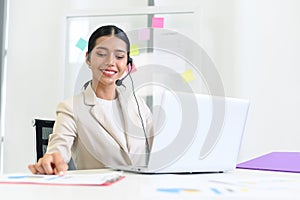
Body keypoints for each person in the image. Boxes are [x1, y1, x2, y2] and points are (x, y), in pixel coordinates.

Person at [28, 25, 153, 175]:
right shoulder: (71, 108)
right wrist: (52, 160)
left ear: (127, 63)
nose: (111, 62)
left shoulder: (138, 104)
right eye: (101, 54)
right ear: (88, 59)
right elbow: (58, 148)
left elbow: (159, 149)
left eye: (119, 56)